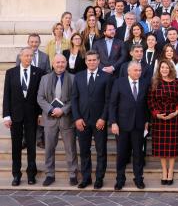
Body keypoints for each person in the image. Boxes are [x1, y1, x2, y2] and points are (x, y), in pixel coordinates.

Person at [3, 47, 45, 186]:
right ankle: (16, 175)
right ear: (20, 57)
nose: (28, 58)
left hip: (32, 115)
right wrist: (6, 116)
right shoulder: (11, 73)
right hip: (15, 115)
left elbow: (40, 95)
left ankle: (31, 174)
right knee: (16, 146)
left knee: (31, 146)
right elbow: (7, 96)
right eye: (26, 55)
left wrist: (40, 113)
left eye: (31, 56)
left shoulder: (38, 72)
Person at [36, 54, 79, 187]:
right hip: (50, 119)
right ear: (53, 64)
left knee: (70, 149)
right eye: (57, 62)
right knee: (49, 148)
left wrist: (63, 110)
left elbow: (75, 98)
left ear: (66, 63)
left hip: (67, 118)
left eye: (62, 62)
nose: (60, 65)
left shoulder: (73, 78)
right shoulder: (45, 78)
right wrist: (50, 109)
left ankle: (73, 175)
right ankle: (50, 174)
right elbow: (40, 98)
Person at [71, 50, 110, 189]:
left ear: (99, 61)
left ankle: (99, 178)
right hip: (82, 121)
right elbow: (74, 99)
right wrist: (77, 118)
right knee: (84, 151)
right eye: (89, 60)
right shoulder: (78, 76)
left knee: (101, 151)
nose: (92, 62)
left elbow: (108, 100)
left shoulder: (106, 77)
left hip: (99, 121)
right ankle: (86, 178)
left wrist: (103, 118)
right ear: (86, 61)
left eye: (94, 60)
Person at [109, 61, 150, 190]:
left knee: (138, 154)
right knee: (121, 154)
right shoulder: (119, 83)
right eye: (136, 70)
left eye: (139, 70)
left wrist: (147, 121)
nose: (138, 72)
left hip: (139, 125)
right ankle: (120, 180)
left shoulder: (144, 83)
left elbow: (146, 104)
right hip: (122, 126)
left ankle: (138, 179)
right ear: (128, 71)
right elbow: (113, 104)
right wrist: (113, 122)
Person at [147, 59, 178, 186]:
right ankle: (164, 171)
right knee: (161, 148)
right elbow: (150, 101)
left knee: (172, 147)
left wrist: (176, 112)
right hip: (159, 119)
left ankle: (171, 171)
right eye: (162, 67)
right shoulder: (154, 82)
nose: (164, 70)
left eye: (167, 67)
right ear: (159, 69)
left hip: (174, 118)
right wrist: (156, 114)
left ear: (171, 69)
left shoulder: (177, 82)